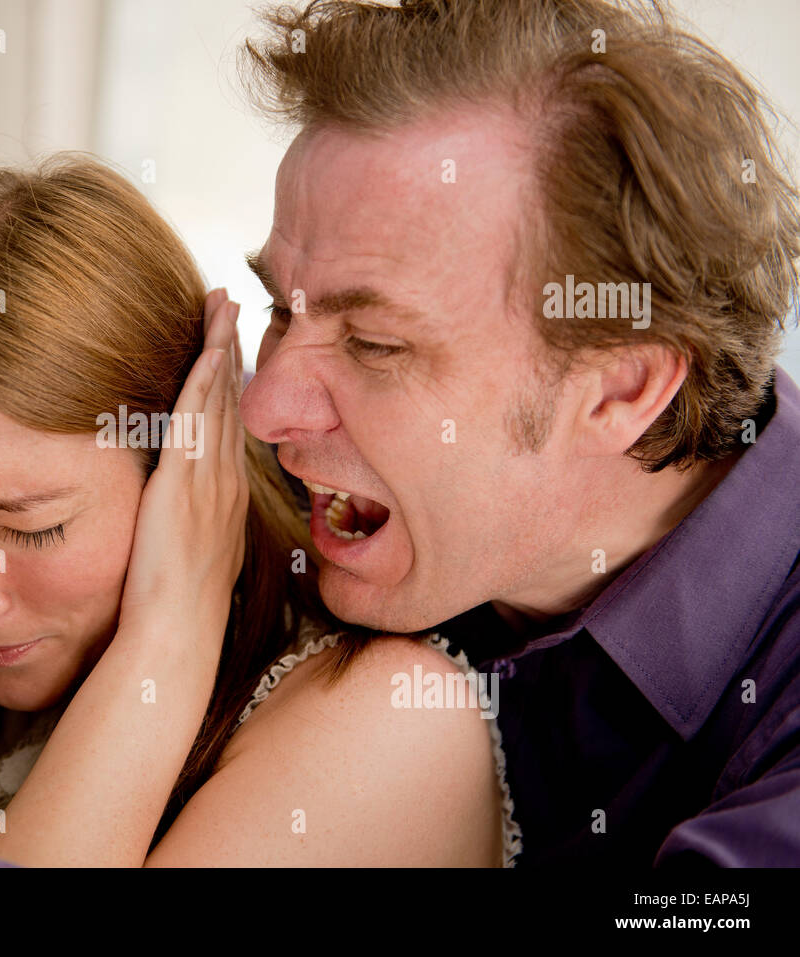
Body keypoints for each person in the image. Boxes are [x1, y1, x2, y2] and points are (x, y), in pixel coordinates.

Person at [0, 151, 517, 866]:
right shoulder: (23, 690)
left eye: (33, 526)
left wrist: (172, 635)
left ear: (187, 469)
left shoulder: (390, 728)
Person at [235, 0, 800, 865]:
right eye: (282, 308)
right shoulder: (356, 478)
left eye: (377, 345)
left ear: (622, 388)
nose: (265, 406)